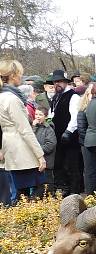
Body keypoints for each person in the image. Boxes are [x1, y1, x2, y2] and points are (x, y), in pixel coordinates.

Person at [0, 60, 46, 205]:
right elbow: (24, 130)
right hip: (20, 148)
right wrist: (40, 155)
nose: (21, 76)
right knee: (32, 190)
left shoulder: (3, 96)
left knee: (21, 191)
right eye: (20, 73)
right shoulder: (12, 99)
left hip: (10, 146)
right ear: (13, 75)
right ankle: (27, 223)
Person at [50, 69, 82, 194]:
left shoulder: (73, 96)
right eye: (55, 82)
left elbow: (75, 116)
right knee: (60, 166)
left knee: (71, 166)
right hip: (57, 137)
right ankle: (64, 190)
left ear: (65, 82)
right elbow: (52, 114)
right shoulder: (56, 97)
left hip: (70, 138)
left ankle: (75, 192)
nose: (56, 84)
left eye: (59, 81)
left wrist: (68, 132)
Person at [32, 106, 56, 197]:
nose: (38, 116)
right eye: (36, 114)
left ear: (45, 117)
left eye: (40, 115)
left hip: (47, 163)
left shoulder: (49, 129)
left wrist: (37, 150)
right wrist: (33, 127)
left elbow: (50, 145)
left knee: (46, 186)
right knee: (37, 186)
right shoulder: (33, 128)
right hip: (35, 163)